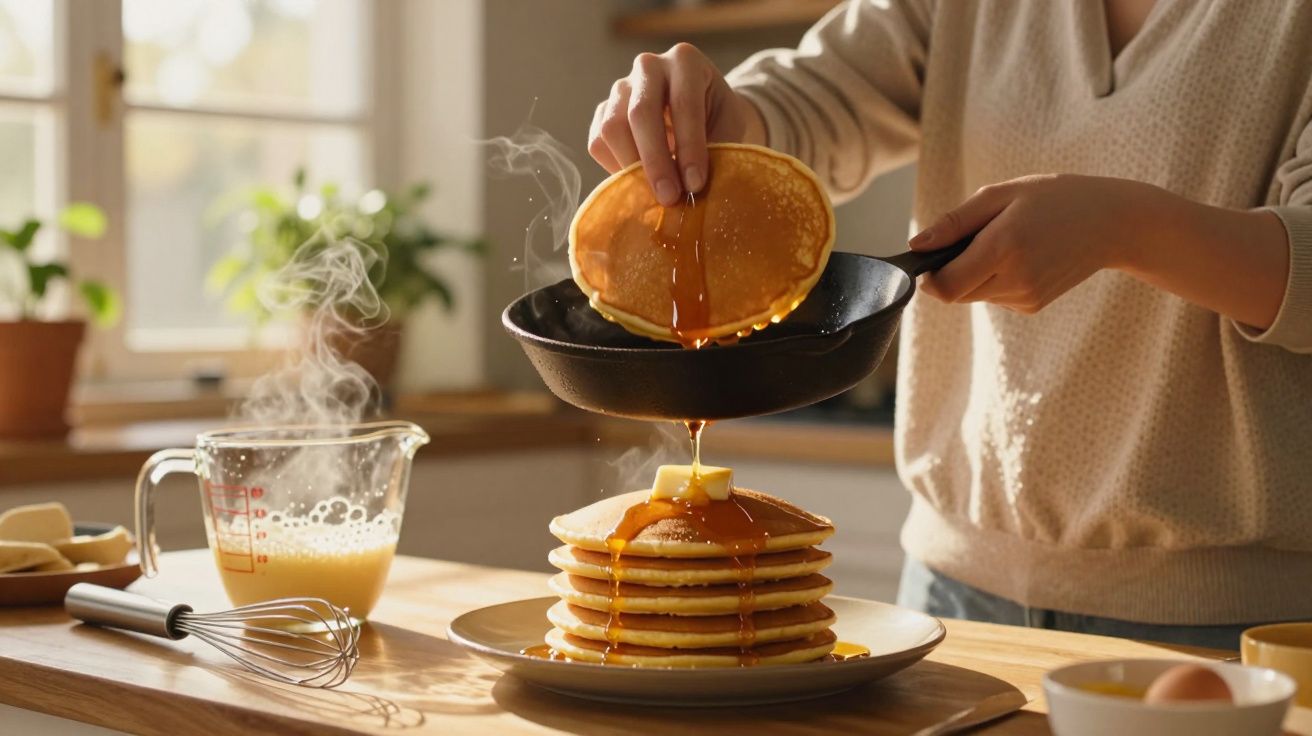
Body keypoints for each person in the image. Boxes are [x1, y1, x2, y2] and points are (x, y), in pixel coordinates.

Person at [587, 0, 1312, 650]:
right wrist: (728, 121)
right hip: (947, 591)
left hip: (1232, 623)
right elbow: (817, 99)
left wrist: (1125, 230)